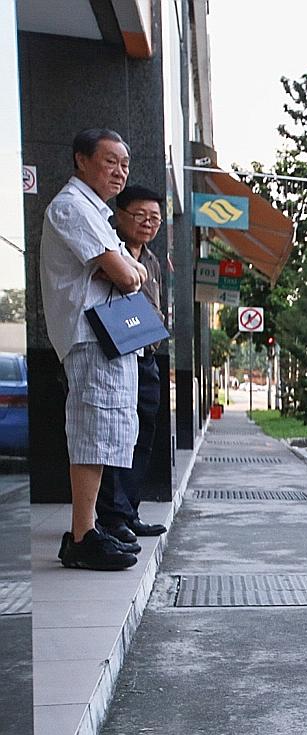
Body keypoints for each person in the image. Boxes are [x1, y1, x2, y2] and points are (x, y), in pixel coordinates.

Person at [39, 128, 147, 571]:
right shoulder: (72, 206)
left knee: (106, 433)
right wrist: (124, 269)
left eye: (125, 163)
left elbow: (132, 269)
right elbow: (126, 276)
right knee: (91, 433)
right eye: (110, 161)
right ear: (81, 160)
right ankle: (82, 536)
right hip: (91, 336)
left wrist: (125, 268)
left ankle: (89, 529)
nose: (120, 172)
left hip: (106, 337)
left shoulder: (97, 212)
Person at [94, 184, 167, 546]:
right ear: (118, 214)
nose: (148, 223)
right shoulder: (110, 251)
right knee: (116, 438)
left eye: (154, 217)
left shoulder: (152, 260)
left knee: (142, 438)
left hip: (147, 357)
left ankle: (129, 511)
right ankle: (112, 517)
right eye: (139, 215)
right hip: (118, 356)